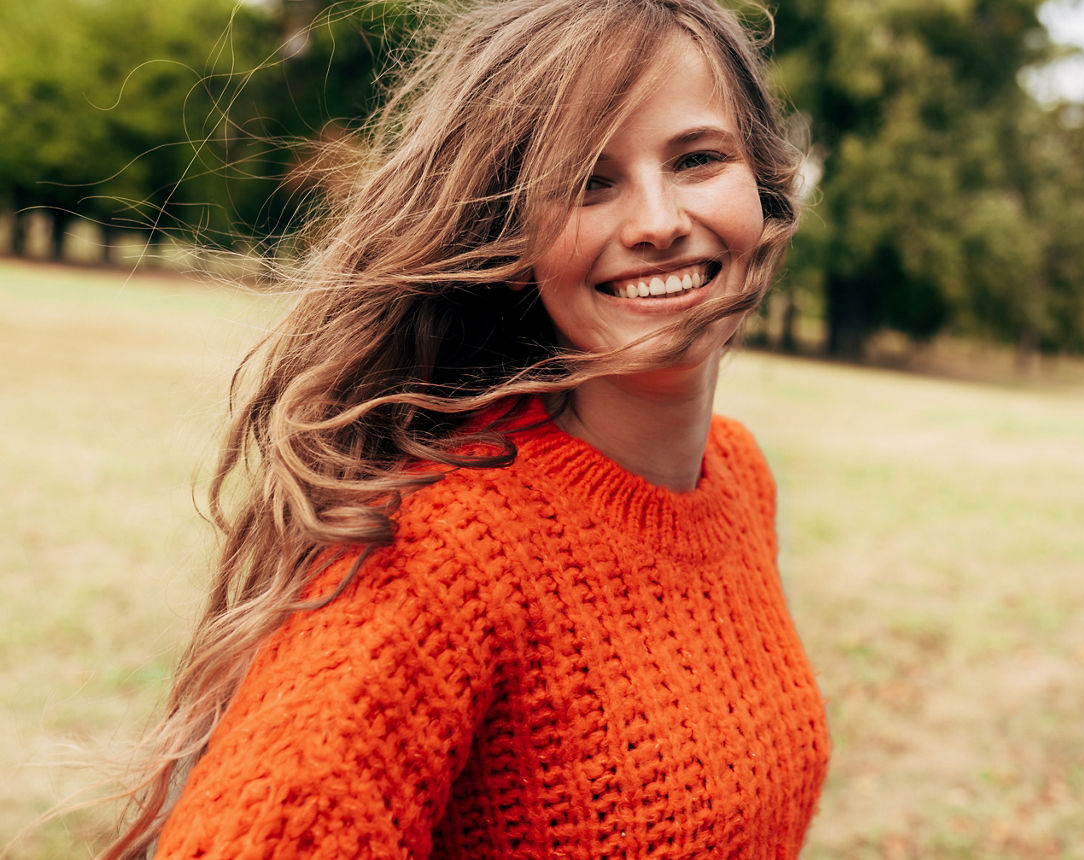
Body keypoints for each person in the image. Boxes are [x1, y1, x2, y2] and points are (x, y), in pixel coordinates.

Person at [101, 0, 829, 856]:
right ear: (512, 235)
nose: (658, 221)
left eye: (698, 159)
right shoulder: (444, 547)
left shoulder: (737, 476)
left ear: (766, 187)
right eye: (589, 180)